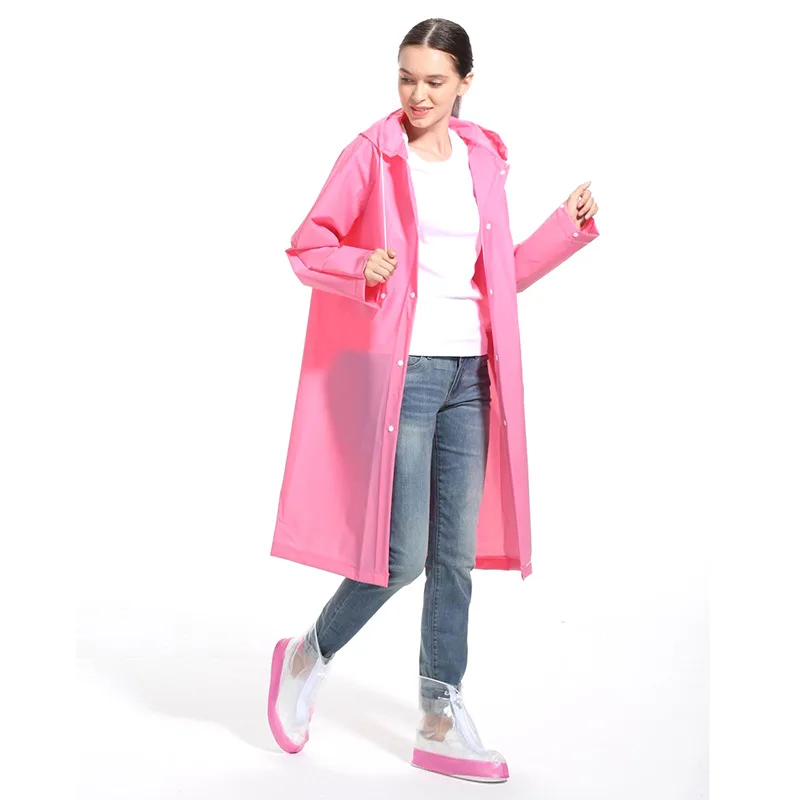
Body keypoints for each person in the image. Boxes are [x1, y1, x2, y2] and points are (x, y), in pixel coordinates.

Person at [267, 17, 600, 783]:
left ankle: (439, 714)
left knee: (455, 558)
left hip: (470, 375)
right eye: (407, 78)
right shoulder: (372, 154)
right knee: (399, 556)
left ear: (464, 84)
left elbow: (499, 277)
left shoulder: (482, 157)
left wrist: (564, 228)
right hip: (405, 375)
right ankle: (309, 652)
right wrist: (360, 265)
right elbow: (307, 247)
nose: (417, 94)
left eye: (434, 81)